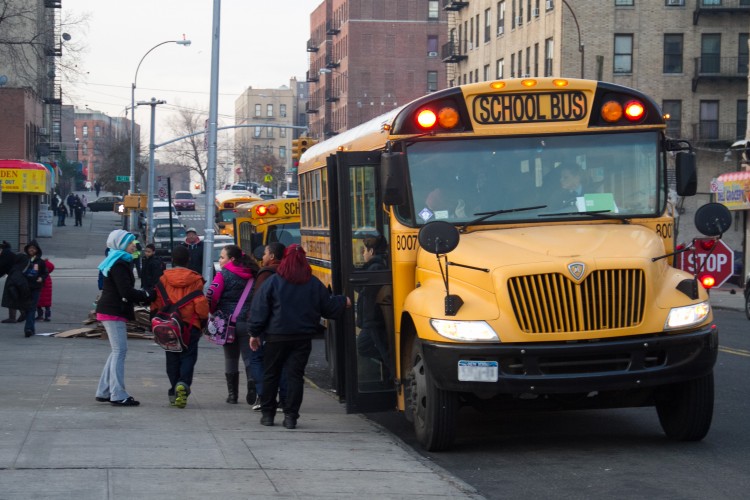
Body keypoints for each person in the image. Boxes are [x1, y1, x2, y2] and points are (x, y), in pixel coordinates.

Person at [249, 244, 350, 430]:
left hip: (276, 336)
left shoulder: (274, 282)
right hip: (302, 338)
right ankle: (290, 417)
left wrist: (255, 333)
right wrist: (343, 301)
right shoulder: (312, 283)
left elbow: (260, 308)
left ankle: (268, 414)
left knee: (271, 374)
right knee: (295, 376)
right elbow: (327, 307)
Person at [95, 229, 153, 406]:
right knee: (120, 351)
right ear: (120, 244)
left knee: (116, 351)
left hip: (111, 310)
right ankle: (117, 394)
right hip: (113, 311)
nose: (133, 246)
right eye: (130, 243)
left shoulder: (118, 260)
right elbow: (125, 291)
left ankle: (104, 391)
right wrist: (147, 295)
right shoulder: (119, 263)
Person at [150, 245, 209, 408]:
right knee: (188, 356)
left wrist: (153, 319)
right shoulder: (196, 279)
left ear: (172, 260)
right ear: (188, 260)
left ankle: (173, 389)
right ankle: (183, 383)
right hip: (191, 325)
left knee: (172, 357)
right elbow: (200, 303)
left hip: (168, 324)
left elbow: (156, 302)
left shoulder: (163, 279)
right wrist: (204, 320)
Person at [206, 244, 259, 405]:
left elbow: (212, 295)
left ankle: (232, 395)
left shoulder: (223, 275)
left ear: (232, 259)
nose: (220, 260)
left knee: (230, 358)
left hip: (227, 322)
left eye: (222, 257)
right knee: (250, 358)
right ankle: (252, 386)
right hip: (248, 322)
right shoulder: (253, 274)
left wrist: (214, 311)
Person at [246, 242, 286, 410]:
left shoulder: (266, 273)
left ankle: (265, 397)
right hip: (286, 325)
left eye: (265, 254)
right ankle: (285, 400)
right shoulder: (289, 272)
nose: (262, 257)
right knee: (284, 364)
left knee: (256, 359)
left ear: (272, 257)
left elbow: (259, 303)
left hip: (266, 327)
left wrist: (255, 329)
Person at [355, 235, 393, 378]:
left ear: (371, 252)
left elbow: (365, 289)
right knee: (376, 349)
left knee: (373, 349)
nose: (363, 254)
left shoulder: (375, 267)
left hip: (374, 318)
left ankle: (392, 374)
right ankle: (390, 371)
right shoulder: (375, 266)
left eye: (364, 250)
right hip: (373, 318)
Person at [22, 240, 48, 337]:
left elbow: (45, 273)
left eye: (34, 248)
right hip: (24, 288)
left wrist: (41, 278)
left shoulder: (40, 262)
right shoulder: (24, 260)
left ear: (37, 250)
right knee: (26, 308)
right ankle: (31, 328)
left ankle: (28, 329)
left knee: (32, 308)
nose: (31, 250)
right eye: (30, 248)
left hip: (36, 288)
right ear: (27, 249)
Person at [1, 253, 31, 325]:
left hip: (13, 286)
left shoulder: (16, 268)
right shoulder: (22, 266)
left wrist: (11, 286)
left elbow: (15, 279)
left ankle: (13, 317)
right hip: (18, 287)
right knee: (16, 300)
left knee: (12, 300)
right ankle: (21, 314)